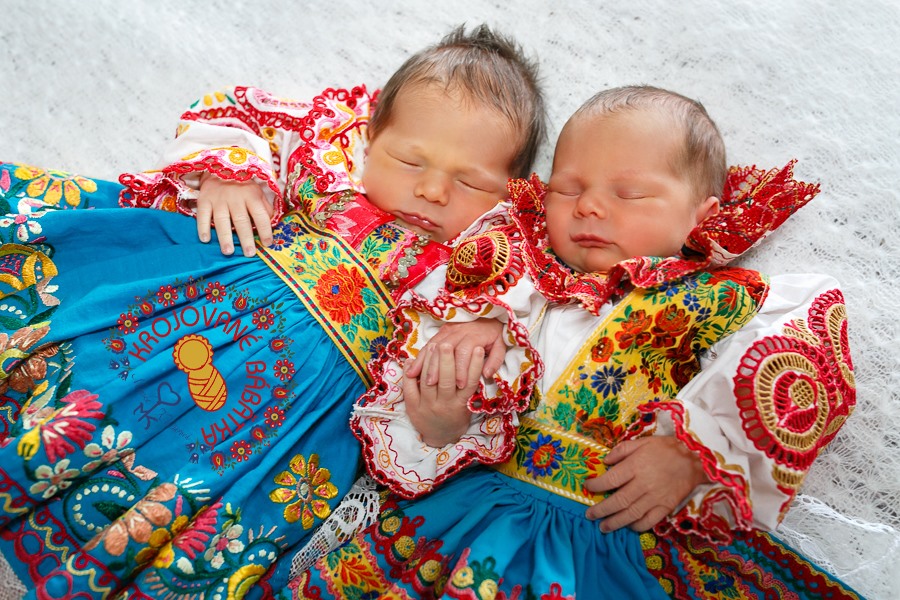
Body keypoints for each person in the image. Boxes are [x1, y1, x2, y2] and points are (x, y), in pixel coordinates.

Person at [0, 24, 545, 599]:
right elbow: (238, 112)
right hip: (199, 305)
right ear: (371, 134)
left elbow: (505, 352)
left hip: (299, 417)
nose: (433, 190)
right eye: (410, 160)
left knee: (203, 496)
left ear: (512, 194)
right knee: (99, 376)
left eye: (469, 182)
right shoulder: (328, 155)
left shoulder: (486, 271)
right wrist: (232, 175)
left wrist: (449, 408)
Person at [287, 86, 859, 599]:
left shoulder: (717, 298)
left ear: (702, 216)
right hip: (468, 515)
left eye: (630, 194)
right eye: (568, 188)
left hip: (613, 532)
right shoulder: (513, 287)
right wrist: (440, 423)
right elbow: (432, 375)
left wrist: (693, 453)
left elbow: (800, 344)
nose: (587, 206)